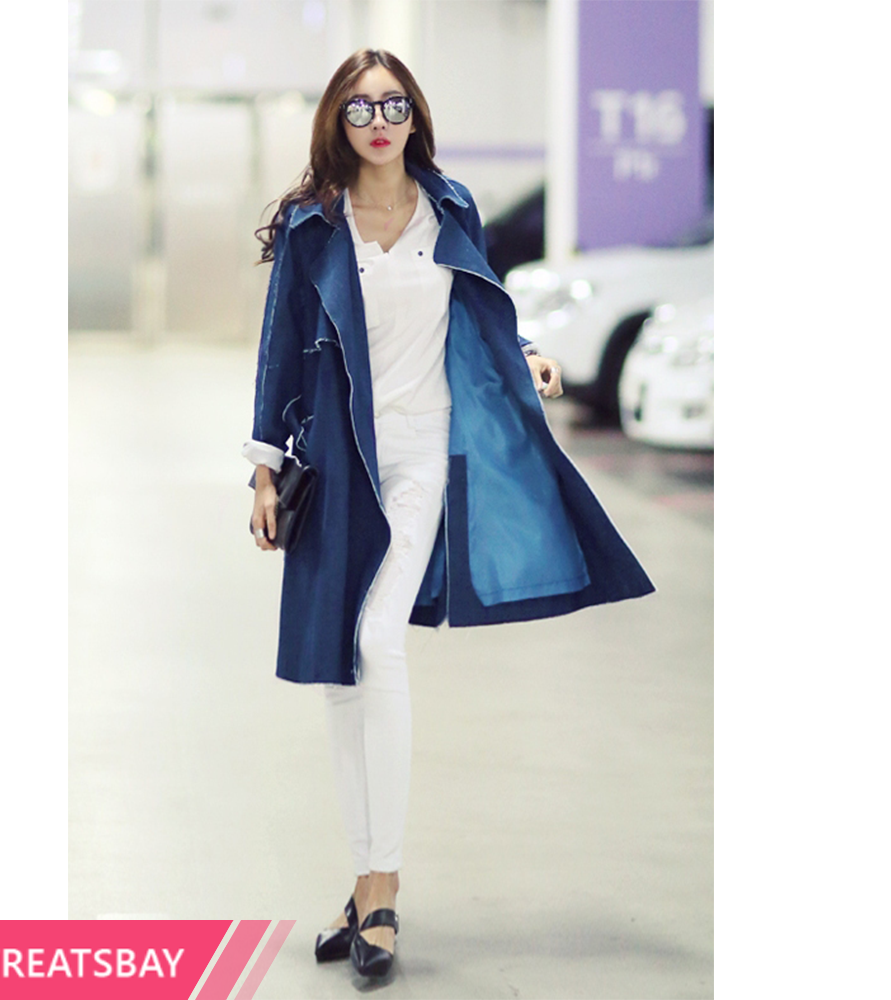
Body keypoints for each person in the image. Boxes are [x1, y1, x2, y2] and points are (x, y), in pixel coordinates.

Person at [243, 48, 654, 981]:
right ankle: (362, 878)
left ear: (415, 116)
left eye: (393, 105)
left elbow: (482, 300)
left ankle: (384, 887)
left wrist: (527, 350)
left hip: (425, 453)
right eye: (359, 109)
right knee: (341, 671)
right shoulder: (314, 226)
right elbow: (278, 350)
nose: (378, 123)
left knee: (376, 640)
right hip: (340, 461)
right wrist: (263, 472)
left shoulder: (449, 206)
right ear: (338, 122)